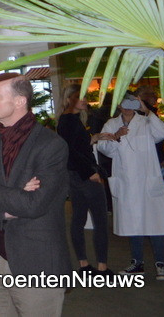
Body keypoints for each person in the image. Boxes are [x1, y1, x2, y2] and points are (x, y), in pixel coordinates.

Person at [0, 72, 70, 316]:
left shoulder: (51, 145)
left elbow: (33, 205)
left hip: (37, 262)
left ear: (20, 101)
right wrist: (5, 211)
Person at [95, 95, 164, 280]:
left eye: (132, 103)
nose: (128, 107)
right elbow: (103, 148)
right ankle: (137, 263)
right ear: (118, 105)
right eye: (124, 103)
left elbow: (163, 133)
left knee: (155, 222)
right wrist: (116, 137)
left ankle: (160, 264)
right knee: (133, 223)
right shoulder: (111, 124)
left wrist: (147, 111)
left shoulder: (146, 121)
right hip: (127, 181)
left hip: (148, 179)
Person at [55, 84, 110, 274]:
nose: (85, 100)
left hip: (75, 175)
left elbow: (74, 146)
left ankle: (84, 264)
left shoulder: (68, 119)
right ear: (69, 99)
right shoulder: (69, 120)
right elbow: (70, 151)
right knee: (99, 221)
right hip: (83, 175)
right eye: (80, 97)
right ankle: (101, 267)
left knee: (79, 218)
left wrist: (93, 138)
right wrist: (90, 173)